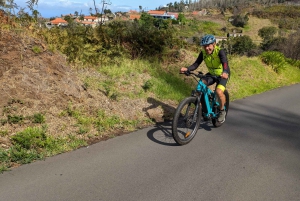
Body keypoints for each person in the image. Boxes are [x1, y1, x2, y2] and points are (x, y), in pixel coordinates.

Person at [180, 34, 230, 123]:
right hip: (211, 74)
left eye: (208, 45)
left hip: (222, 75)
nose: (206, 48)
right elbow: (196, 64)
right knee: (200, 86)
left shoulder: (220, 51)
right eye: (204, 46)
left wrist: (225, 72)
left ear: (214, 44)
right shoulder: (203, 53)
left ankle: (222, 111)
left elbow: (225, 63)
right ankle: (204, 110)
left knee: (219, 92)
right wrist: (187, 69)